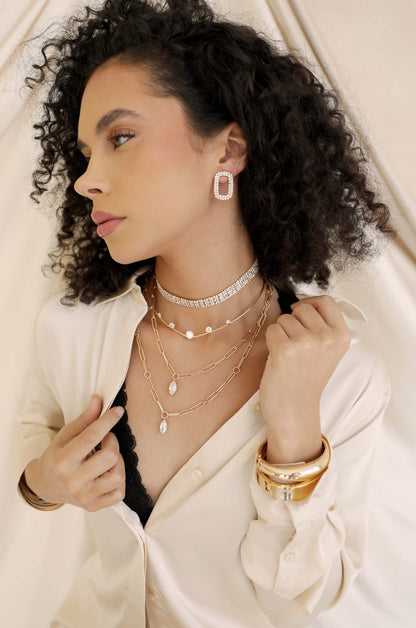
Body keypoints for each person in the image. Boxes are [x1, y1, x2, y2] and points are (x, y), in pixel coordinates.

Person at [14, 0, 395, 626]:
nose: (86, 180)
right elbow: (34, 447)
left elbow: (301, 599)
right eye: (85, 154)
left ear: (229, 150)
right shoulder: (71, 328)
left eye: (121, 137)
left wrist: (294, 436)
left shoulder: (342, 372)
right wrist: (44, 484)